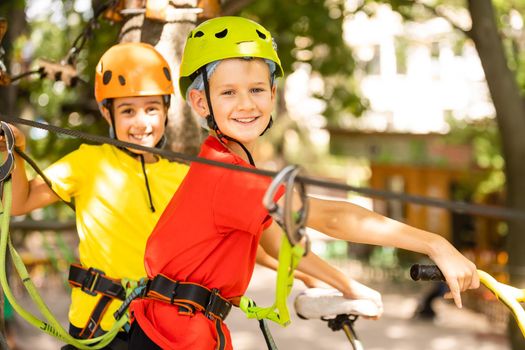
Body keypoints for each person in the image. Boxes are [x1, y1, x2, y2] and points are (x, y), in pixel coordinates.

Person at [128, 16, 479, 350]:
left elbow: (274, 242)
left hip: (181, 333)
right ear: (201, 101)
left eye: (256, 89)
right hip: (172, 338)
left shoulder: (228, 162)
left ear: (272, 93)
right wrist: (435, 244)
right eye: (229, 93)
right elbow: (330, 218)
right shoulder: (227, 174)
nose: (247, 104)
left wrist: (337, 282)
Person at [0, 42, 190, 349]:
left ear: (167, 110)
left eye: (152, 109)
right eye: (127, 111)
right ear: (107, 112)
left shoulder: (182, 177)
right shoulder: (89, 161)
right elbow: (21, 203)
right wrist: (18, 151)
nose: (141, 122)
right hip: (99, 327)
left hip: (161, 329)